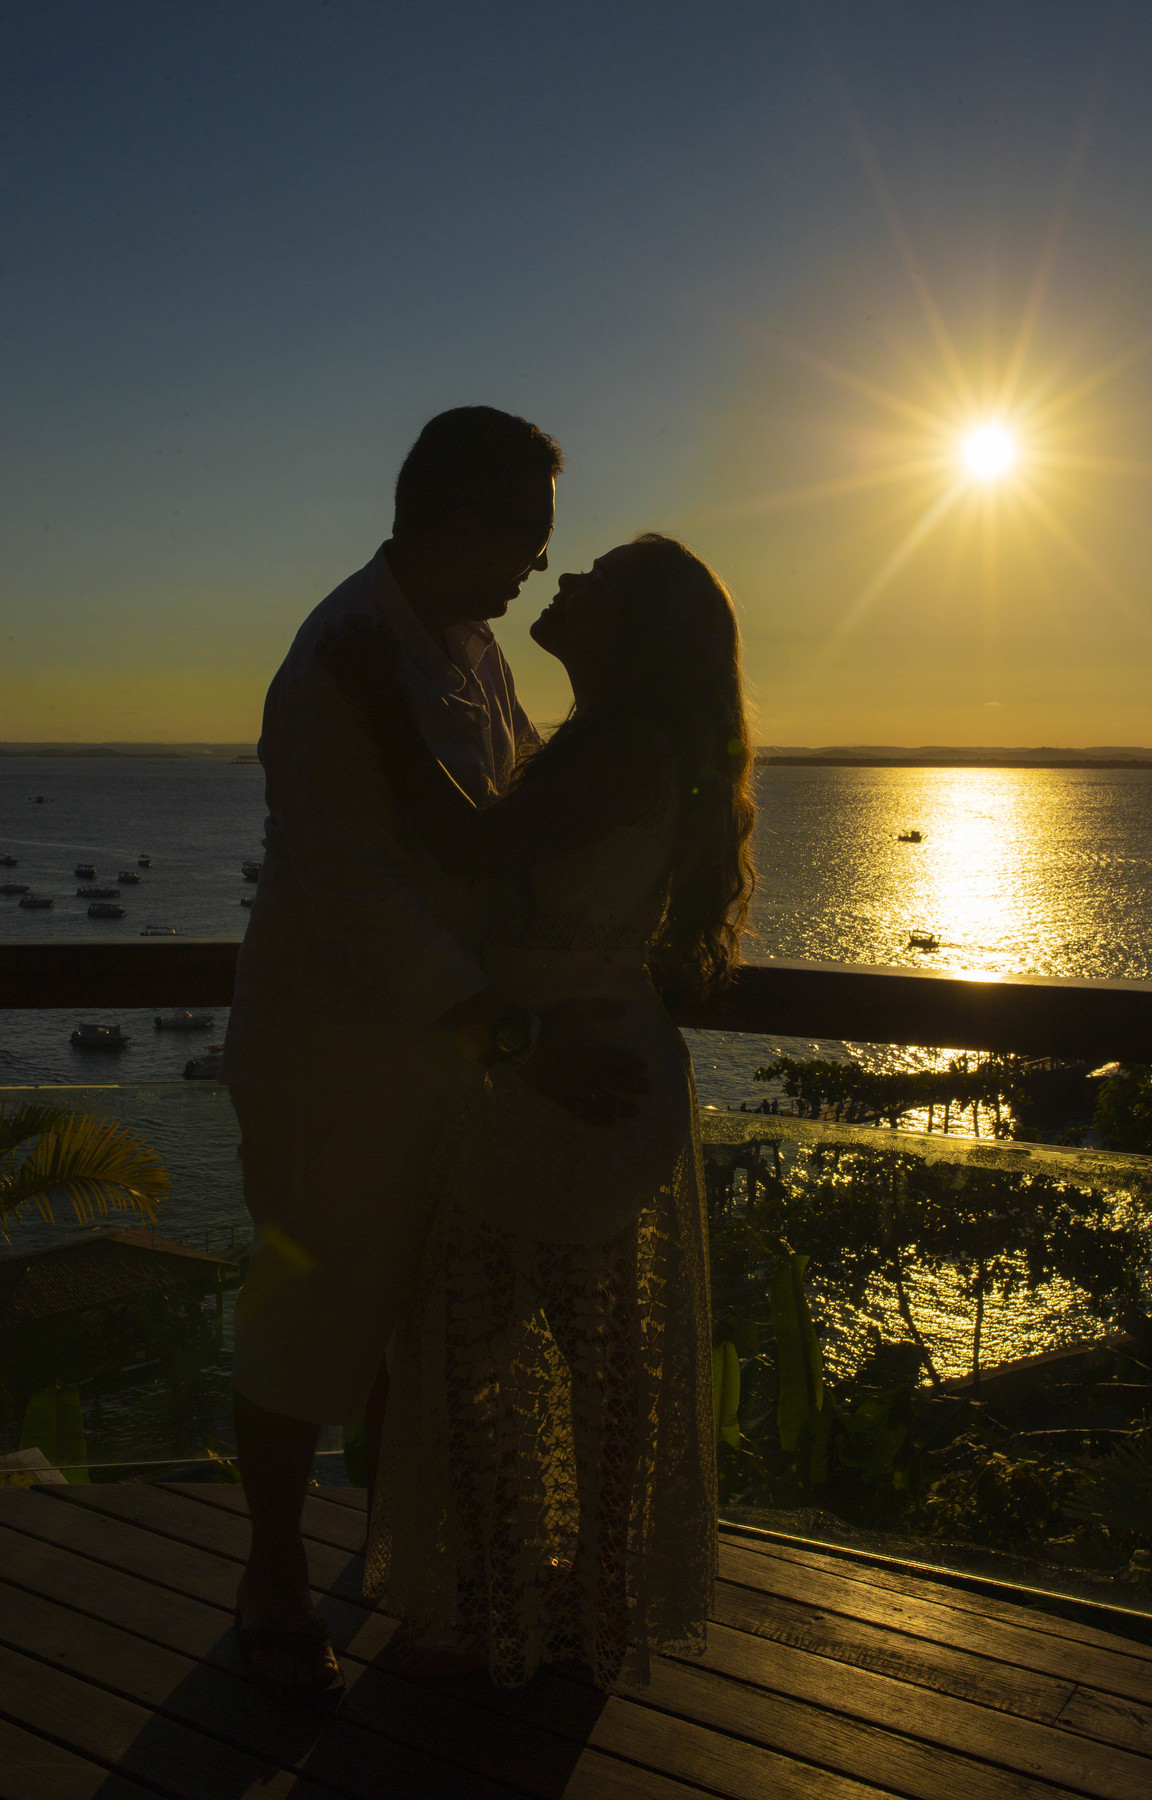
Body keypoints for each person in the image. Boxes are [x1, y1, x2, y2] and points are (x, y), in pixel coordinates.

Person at [222, 407, 646, 1702]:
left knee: (425, 1326)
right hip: (336, 1069)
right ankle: (276, 1571)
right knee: (315, 1316)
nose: (534, 568)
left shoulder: (468, 653)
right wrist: (516, 1032)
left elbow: (490, 831)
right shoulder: (336, 661)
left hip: (451, 1068)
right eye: (528, 538)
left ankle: (402, 1562)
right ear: (463, 521)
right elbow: (359, 905)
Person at [318, 533, 755, 1688]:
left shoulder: (620, 754)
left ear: (636, 630)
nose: (565, 586)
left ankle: (557, 1591)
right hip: (572, 1069)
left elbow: (465, 841)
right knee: (558, 1348)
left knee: (505, 1345)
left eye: (595, 581)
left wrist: (375, 704)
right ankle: (563, 1588)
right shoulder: (608, 745)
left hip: (577, 1080)